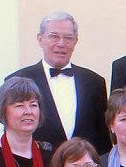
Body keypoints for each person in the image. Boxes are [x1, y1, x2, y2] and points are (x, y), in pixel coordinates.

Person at [7, 12, 109, 154]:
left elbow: (103, 138)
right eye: (54, 36)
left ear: (75, 42)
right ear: (40, 39)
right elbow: (12, 134)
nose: (61, 44)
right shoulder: (18, 80)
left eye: (68, 38)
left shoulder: (94, 82)